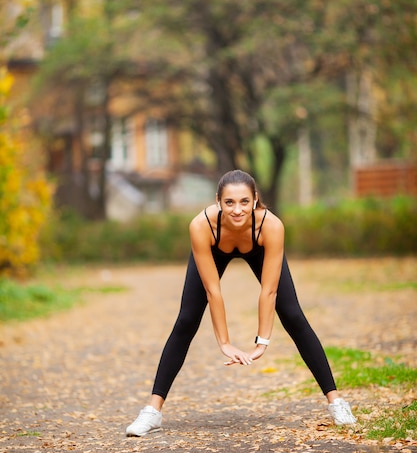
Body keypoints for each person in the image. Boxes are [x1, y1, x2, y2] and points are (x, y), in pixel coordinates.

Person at [126, 169, 356, 436]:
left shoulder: (271, 226)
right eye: (229, 202)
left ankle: (337, 402)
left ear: (255, 200)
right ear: (218, 202)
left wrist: (262, 341)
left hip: (257, 246)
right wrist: (224, 343)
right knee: (187, 319)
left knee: (293, 315)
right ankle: (152, 412)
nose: (237, 210)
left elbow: (269, 292)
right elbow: (213, 291)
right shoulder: (201, 225)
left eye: (244, 201)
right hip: (215, 247)